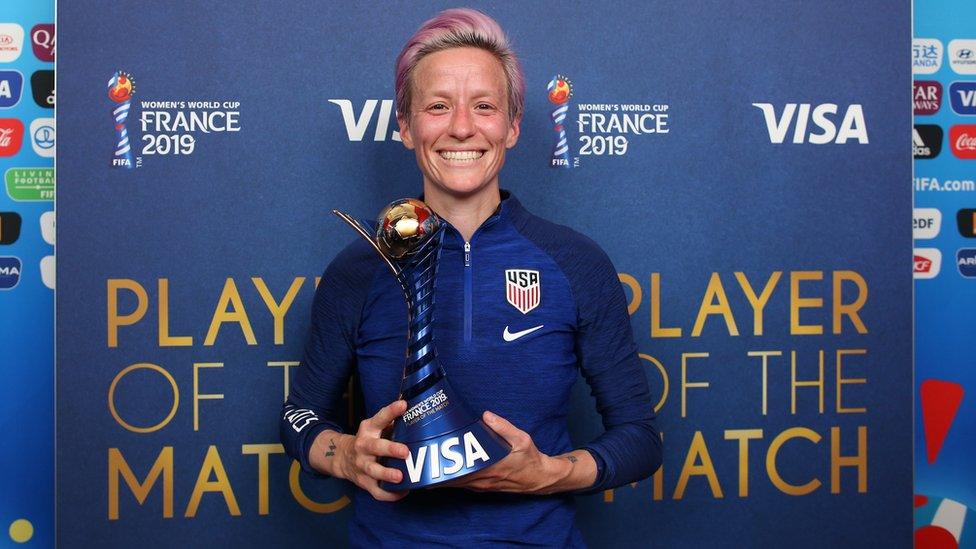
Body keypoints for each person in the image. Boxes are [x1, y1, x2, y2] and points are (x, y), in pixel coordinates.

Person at [280, 8, 661, 547]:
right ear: (406, 126)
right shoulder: (360, 266)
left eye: (484, 106)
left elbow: (640, 438)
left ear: (513, 124)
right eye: (438, 106)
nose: (462, 126)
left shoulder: (575, 262)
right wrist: (344, 455)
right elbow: (299, 416)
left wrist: (552, 473)